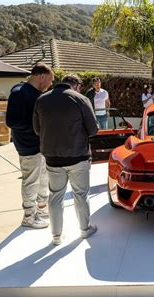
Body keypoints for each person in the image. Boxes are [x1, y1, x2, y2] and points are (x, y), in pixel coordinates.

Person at [33, 74, 99, 246]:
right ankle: (85, 229)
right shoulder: (81, 99)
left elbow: (37, 129)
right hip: (78, 157)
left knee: (55, 196)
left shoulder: (41, 100)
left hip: (52, 157)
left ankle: (56, 236)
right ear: (76, 85)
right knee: (81, 195)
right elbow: (93, 129)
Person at [6, 63, 54, 229]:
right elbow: (12, 121)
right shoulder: (19, 93)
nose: (50, 84)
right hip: (28, 145)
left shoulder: (35, 93)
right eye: (50, 80)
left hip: (40, 145)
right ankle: (28, 216)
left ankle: (41, 209)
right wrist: (38, 127)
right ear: (41, 76)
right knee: (31, 181)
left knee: (43, 178)